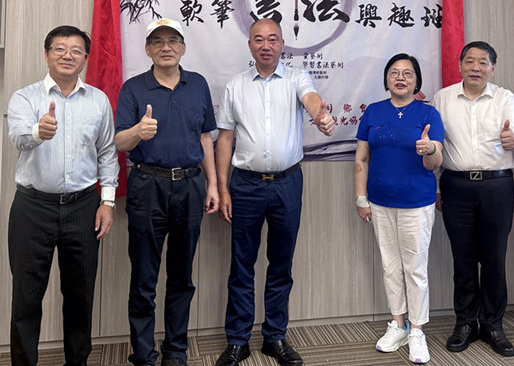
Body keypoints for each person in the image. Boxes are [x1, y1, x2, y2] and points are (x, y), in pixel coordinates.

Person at [214, 18, 334, 366]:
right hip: (245, 185)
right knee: (241, 264)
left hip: (286, 184)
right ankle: (237, 340)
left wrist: (320, 115)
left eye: (272, 39)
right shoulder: (236, 85)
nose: (265, 46)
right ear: (249, 45)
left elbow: (311, 99)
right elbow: (225, 138)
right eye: (258, 39)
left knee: (281, 264)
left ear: (282, 44)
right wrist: (222, 188)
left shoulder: (297, 78)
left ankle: (275, 337)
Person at [7, 25, 119, 366]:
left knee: (80, 296)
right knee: (26, 297)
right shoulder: (25, 97)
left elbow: (107, 152)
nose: (67, 55)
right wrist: (38, 132)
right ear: (46, 54)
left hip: (83, 207)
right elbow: (18, 137)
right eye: (59, 48)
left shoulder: (98, 100)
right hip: (32, 208)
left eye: (76, 50)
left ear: (85, 58)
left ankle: (78, 362)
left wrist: (108, 201)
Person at [114, 18, 219, 366]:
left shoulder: (197, 84)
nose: (166, 47)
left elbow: (205, 137)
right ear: (148, 50)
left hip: (190, 186)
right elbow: (120, 141)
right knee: (144, 277)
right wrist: (138, 132)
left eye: (173, 40)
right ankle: (144, 354)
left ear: (183, 48)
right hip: (148, 186)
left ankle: (176, 351)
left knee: (182, 275)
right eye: (157, 42)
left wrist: (213, 185)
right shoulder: (133, 88)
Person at [431, 41, 514, 357]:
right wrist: (438, 187)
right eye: (469, 61)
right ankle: (465, 323)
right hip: (456, 185)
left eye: (483, 62)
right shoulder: (443, 98)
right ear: (460, 65)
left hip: (496, 186)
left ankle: (493, 324)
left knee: (494, 258)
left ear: (492, 68)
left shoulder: (504, 97)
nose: (475, 67)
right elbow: (436, 144)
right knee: (463, 259)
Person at [354, 53, 443, 364]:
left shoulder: (428, 113)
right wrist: (361, 198)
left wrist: (429, 149)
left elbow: (435, 162)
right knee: (390, 267)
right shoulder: (373, 112)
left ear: (417, 81)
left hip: (416, 203)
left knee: (415, 268)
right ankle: (398, 324)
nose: (401, 77)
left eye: (407, 73)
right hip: (380, 203)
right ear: (386, 79)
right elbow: (361, 159)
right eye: (394, 72)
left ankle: (417, 330)